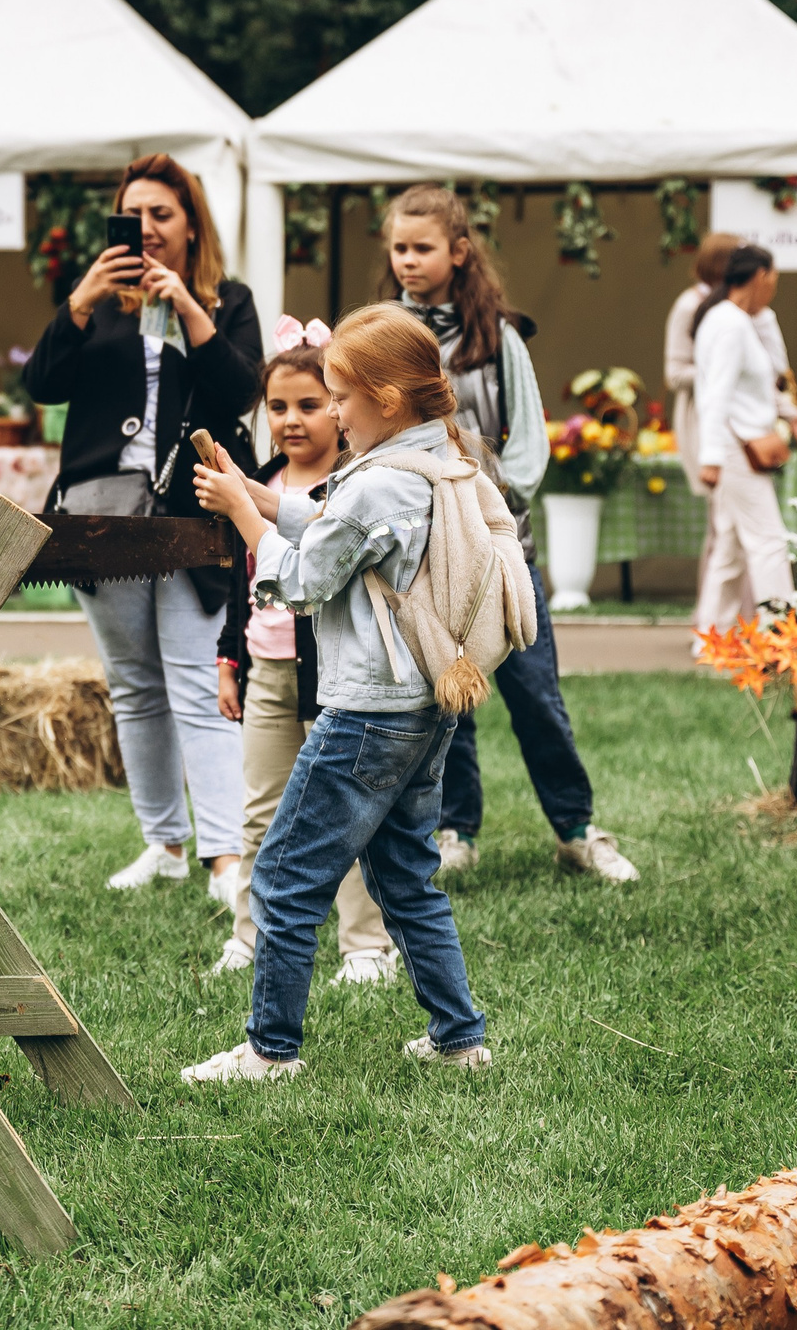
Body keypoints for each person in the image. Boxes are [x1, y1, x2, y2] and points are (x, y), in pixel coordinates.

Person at [182, 304, 494, 1081]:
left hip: (365, 715)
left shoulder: (378, 483)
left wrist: (243, 523)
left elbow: (302, 575)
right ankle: (460, 1038)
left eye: (339, 396)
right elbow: (331, 521)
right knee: (406, 877)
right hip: (423, 708)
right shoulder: (435, 461)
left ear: (385, 398)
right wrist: (254, 495)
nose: (334, 411)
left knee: (285, 874)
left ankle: (269, 1049)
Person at [21, 153, 263, 898]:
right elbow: (43, 384)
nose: (149, 229)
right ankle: (163, 841)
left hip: (192, 505)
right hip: (102, 510)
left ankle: (225, 855)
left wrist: (190, 308)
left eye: (163, 213)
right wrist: (81, 302)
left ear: (192, 223)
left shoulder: (229, 300)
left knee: (197, 678)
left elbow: (242, 389)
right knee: (133, 683)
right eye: (136, 215)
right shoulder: (95, 305)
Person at [381, 186, 635, 885]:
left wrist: (483, 501)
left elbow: (528, 445)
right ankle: (453, 826)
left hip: (501, 552)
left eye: (422, 247)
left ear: (459, 252)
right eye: (399, 247)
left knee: (535, 695)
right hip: (423, 560)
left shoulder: (501, 338)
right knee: (445, 699)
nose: (408, 260)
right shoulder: (384, 334)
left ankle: (577, 827)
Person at [208, 322, 398, 983]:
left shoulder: (356, 483)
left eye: (310, 405)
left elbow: (318, 544)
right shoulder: (261, 477)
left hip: (338, 675)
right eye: (279, 407)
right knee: (260, 811)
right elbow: (244, 572)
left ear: (341, 410)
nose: (292, 420)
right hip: (266, 670)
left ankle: (367, 944)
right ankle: (248, 934)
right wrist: (231, 656)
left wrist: (249, 503)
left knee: (344, 812)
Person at [692, 245, 796, 629]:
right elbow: (716, 394)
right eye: (773, 281)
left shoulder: (732, 320)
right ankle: (781, 635)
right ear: (760, 276)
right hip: (736, 449)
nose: (773, 291)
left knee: (731, 551)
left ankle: (710, 637)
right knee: (768, 542)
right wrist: (711, 457)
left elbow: (750, 386)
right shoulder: (730, 324)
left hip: (734, 446)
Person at [665, 233, 744, 498]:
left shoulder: (733, 305)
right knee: (719, 506)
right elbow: (674, 374)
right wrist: (725, 368)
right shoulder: (689, 306)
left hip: (732, 417)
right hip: (699, 417)